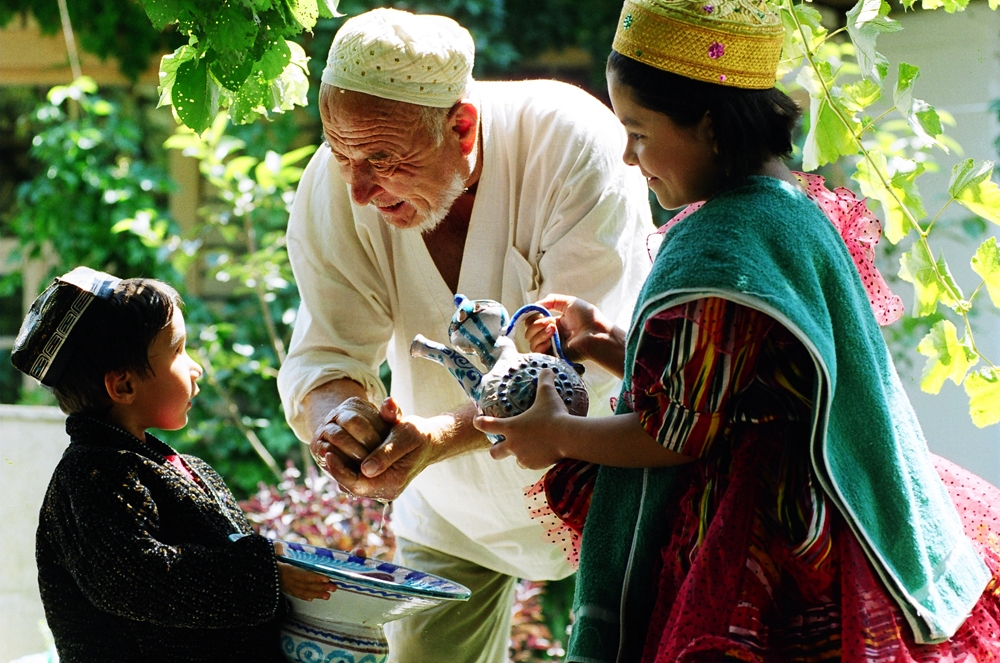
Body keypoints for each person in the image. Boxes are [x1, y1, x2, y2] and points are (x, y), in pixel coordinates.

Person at [474, 0, 1000, 660]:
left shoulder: (723, 244)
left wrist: (557, 434)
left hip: (773, 540)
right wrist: (606, 340)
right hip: (835, 510)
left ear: (711, 125)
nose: (630, 158)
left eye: (638, 132)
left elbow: (678, 431)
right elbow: (730, 376)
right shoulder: (786, 212)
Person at [276, 7, 654, 661]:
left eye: (384, 159)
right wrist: (344, 424)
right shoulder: (337, 183)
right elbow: (327, 352)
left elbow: (581, 373)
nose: (360, 188)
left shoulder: (571, 141)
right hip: (448, 510)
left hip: (606, 492)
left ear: (462, 123)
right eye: (341, 155)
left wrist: (438, 436)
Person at [10, 267, 333, 663]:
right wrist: (263, 575)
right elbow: (136, 579)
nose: (195, 367)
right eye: (179, 350)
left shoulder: (180, 468)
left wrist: (271, 563)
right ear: (123, 385)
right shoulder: (92, 476)